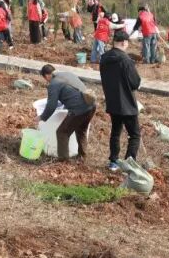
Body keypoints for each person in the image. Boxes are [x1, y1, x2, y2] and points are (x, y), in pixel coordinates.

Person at [100, 30, 141, 171]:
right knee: (134, 135)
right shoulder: (126, 60)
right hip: (127, 103)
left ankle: (113, 162)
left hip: (112, 101)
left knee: (116, 132)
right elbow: (135, 82)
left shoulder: (104, 58)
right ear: (124, 43)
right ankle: (129, 165)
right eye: (127, 43)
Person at [39, 64, 97, 160]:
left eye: (45, 78)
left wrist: (42, 117)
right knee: (81, 130)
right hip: (91, 105)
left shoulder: (53, 84)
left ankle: (63, 161)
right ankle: (82, 157)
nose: (47, 81)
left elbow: (51, 106)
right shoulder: (67, 74)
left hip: (79, 110)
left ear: (47, 75)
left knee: (62, 133)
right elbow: (74, 92)